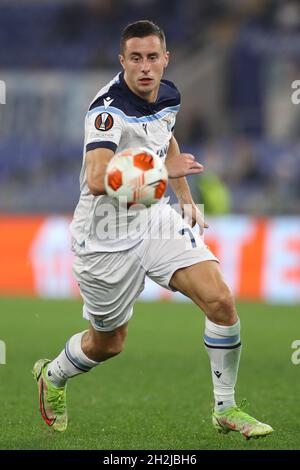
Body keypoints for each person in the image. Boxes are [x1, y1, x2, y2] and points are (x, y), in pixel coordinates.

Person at [33, 20, 273, 440]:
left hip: (153, 219)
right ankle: (53, 374)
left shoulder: (169, 94)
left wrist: (184, 198)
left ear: (166, 59)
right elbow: (96, 178)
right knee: (108, 344)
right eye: (136, 59)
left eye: (152, 57)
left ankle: (226, 408)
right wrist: (165, 170)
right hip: (104, 235)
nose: (145, 67)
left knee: (220, 301)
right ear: (122, 61)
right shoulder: (107, 110)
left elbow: (167, 136)